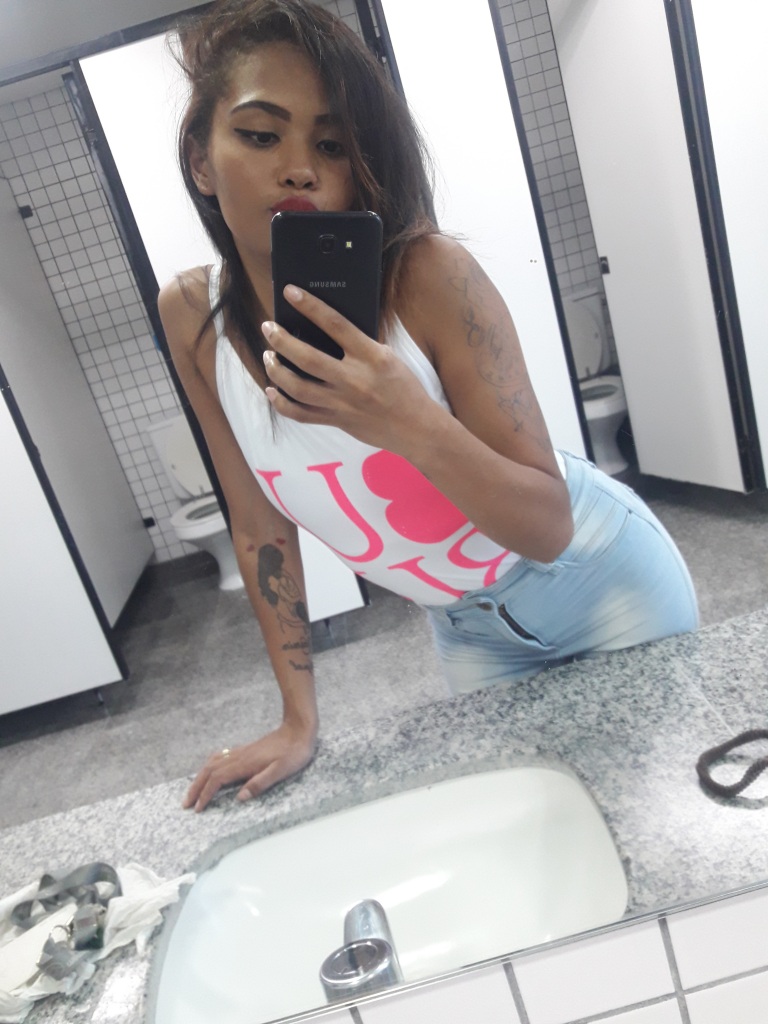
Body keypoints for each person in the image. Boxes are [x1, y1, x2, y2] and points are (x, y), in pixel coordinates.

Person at [158, 0, 699, 813]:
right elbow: (258, 528)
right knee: (539, 827)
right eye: (261, 135)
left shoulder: (429, 278)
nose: (299, 169)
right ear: (202, 160)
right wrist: (298, 721)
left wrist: (408, 421)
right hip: (466, 629)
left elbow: (548, 528)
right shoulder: (191, 318)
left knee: (667, 824)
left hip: (600, 582)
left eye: (331, 145)